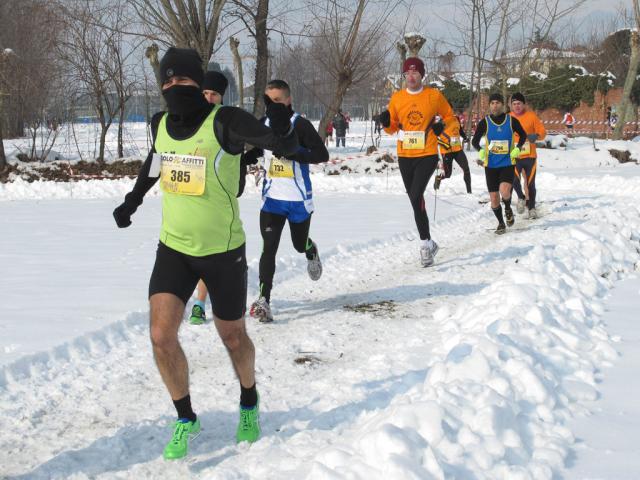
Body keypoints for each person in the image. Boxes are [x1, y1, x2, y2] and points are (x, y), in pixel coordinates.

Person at [112, 47, 299, 459]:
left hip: (223, 252)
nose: (173, 87)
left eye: (182, 80)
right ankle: (185, 417)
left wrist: (282, 124)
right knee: (161, 336)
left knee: (232, 336)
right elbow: (156, 164)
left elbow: (275, 142)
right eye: (167, 81)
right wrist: (132, 200)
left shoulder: (226, 122)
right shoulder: (160, 123)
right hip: (174, 249)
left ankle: (249, 400)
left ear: (198, 82)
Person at [245, 80, 328, 323]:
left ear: (289, 100)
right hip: (272, 200)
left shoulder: (299, 125)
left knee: (298, 245)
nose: (274, 106)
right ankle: (264, 301)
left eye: (278, 100)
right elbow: (259, 151)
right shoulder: (264, 124)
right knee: (268, 248)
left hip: (298, 200)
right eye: (269, 101)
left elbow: (322, 154)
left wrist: (294, 153)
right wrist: (240, 160)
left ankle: (311, 251)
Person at [378, 57, 455, 267]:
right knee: (414, 199)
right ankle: (430, 242)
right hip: (405, 155)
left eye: (415, 73)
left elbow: (450, 117)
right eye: (407, 74)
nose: (411, 77)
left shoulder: (433, 96)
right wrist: (386, 122)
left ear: (422, 75)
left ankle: (423, 245)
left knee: (415, 194)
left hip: (428, 153)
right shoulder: (397, 98)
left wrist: (442, 128)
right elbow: (393, 127)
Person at [189, 70, 229, 326]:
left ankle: (201, 303)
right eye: (204, 92)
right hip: (187, 198)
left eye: (213, 94)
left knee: (210, 255)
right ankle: (200, 301)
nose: (208, 97)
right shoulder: (186, 118)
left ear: (221, 97)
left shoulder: (226, 122)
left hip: (215, 198)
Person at [471, 92, 526, 234]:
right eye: (492, 103)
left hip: (507, 162)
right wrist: (481, 150)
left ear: (502, 105)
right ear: (489, 106)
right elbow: (474, 141)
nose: (495, 106)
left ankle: (507, 207)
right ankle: (501, 223)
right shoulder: (485, 122)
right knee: (494, 198)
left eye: (497, 103)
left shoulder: (511, 120)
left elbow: (523, 135)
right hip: (491, 165)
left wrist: (518, 149)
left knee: (504, 190)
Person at [509, 92, 546, 219]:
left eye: (519, 103)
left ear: (524, 104)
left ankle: (532, 208)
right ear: (511, 106)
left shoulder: (531, 116)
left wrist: (536, 136)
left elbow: (543, 132)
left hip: (530, 156)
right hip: (515, 156)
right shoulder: (508, 118)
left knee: (531, 184)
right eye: (514, 104)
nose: (517, 106)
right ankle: (521, 197)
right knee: (513, 180)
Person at [434, 115, 472, 193]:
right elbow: (434, 137)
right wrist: (444, 144)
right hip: (446, 152)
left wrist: (465, 137)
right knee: (448, 174)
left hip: (457, 149)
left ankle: (469, 192)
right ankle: (438, 178)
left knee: (466, 169)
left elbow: (460, 130)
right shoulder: (440, 121)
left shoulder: (456, 118)